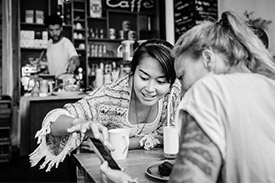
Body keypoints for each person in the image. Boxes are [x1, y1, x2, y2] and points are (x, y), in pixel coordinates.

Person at [99, 11, 275, 183]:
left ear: (207, 59)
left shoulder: (208, 91)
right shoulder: (268, 85)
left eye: (182, 77)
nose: (182, 92)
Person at [29, 39, 181, 174]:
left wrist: (120, 142)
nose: (150, 88)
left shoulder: (173, 93)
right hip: (104, 171)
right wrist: (80, 124)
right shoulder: (110, 96)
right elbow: (53, 124)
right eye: (144, 77)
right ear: (132, 73)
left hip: (147, 168)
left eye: (161, 81)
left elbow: (166, 134)